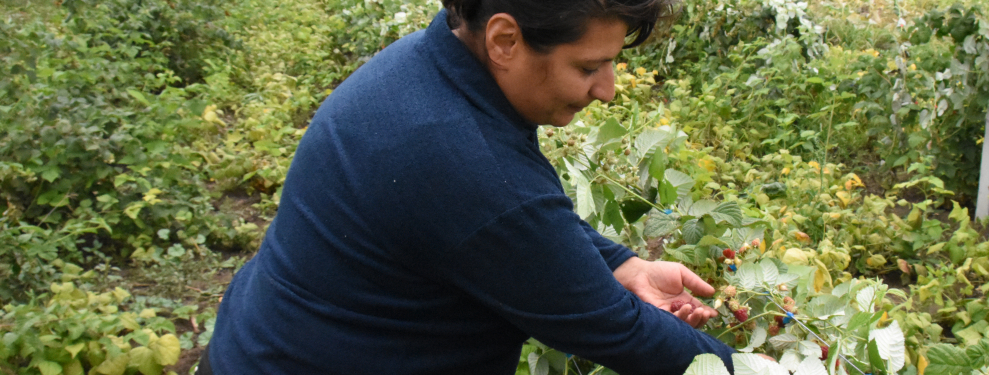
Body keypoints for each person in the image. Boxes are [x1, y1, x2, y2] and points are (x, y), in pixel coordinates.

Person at [202, 0, 738, 373]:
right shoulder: (460, 156)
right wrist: (759, 370)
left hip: (262, 342)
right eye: (589, 66)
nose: (607, 90)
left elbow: (513, 220)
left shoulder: (428, 64)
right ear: (505, 39)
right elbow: (621, 333)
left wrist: (626, 265)